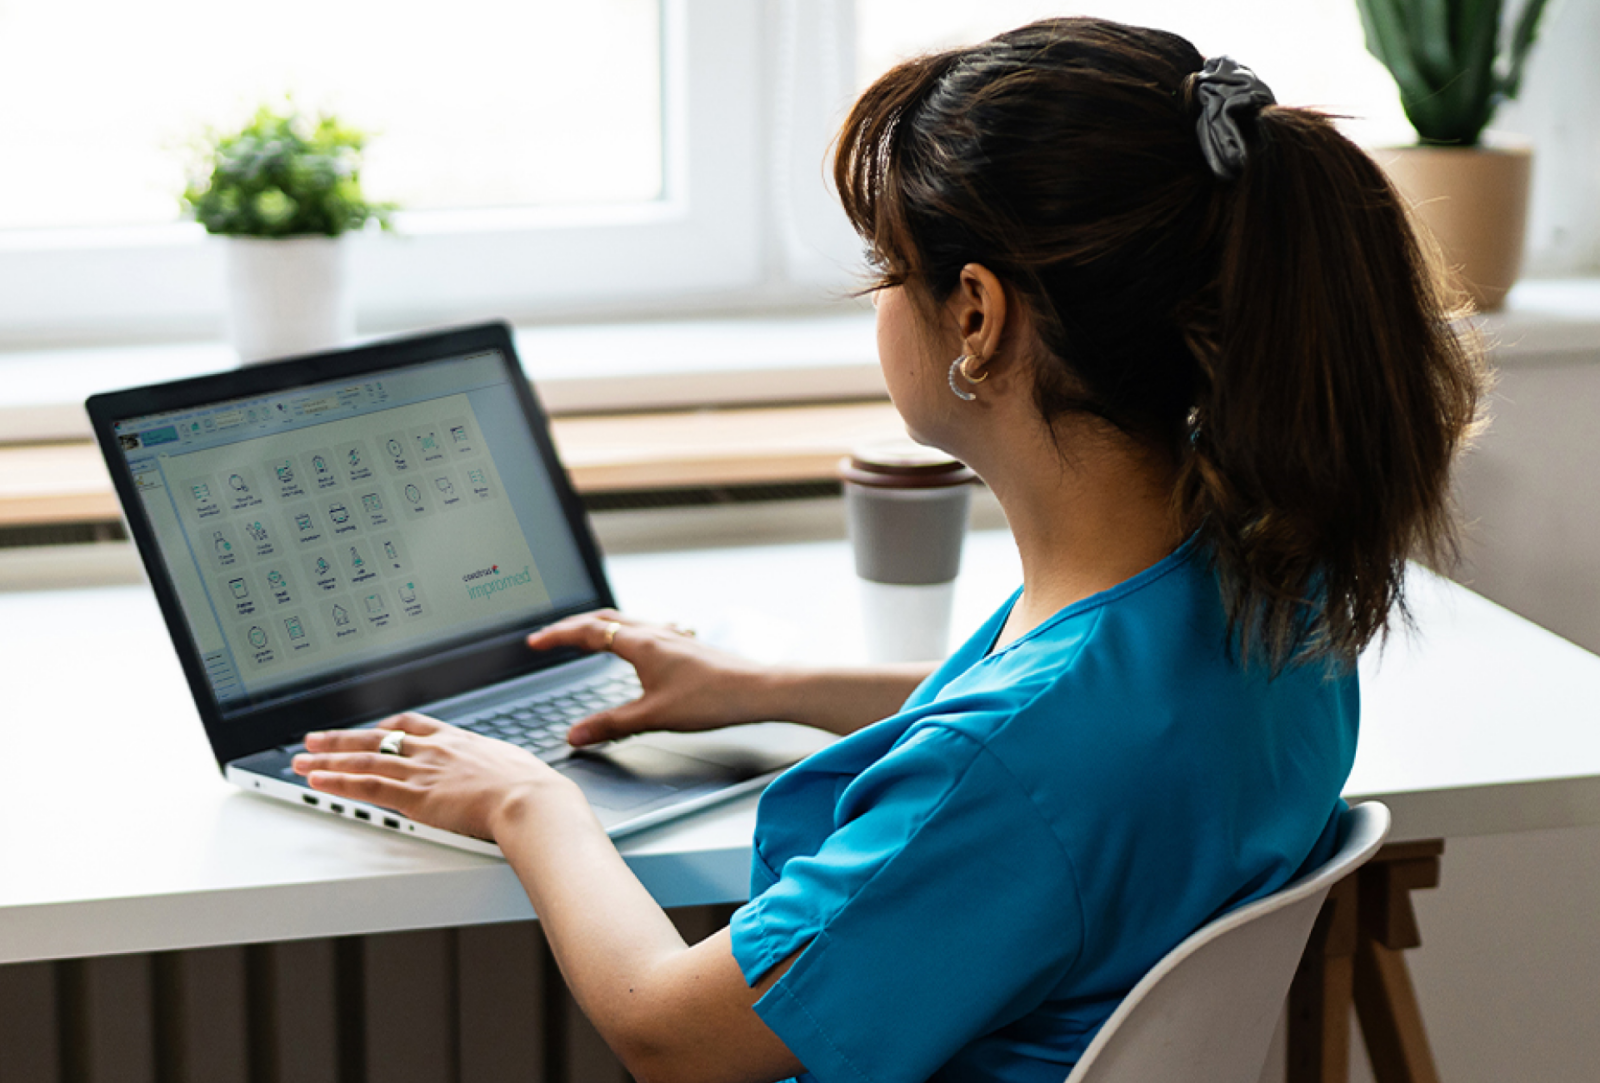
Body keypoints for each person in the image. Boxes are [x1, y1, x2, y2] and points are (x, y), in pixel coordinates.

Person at [293, 17, 1484, 1083]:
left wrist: (525, 800)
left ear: (977, 316)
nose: (874, 302)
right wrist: (769, 693)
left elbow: (672, 1032)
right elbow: (1091, 747)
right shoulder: (1270, 577)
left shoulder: (1015, 768)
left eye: (882, 269)